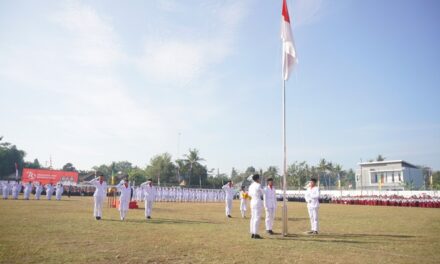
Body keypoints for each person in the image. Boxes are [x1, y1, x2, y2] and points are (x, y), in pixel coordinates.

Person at [248, 174, 264, 239]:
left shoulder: (251, 186)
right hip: (257, 201)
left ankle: (252, 232)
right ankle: (255, 233)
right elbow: (262, 192)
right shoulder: (258, 185)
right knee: (257, 218)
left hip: (252, 201)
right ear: (257, 179)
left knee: (253, 217)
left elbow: (249, 194)